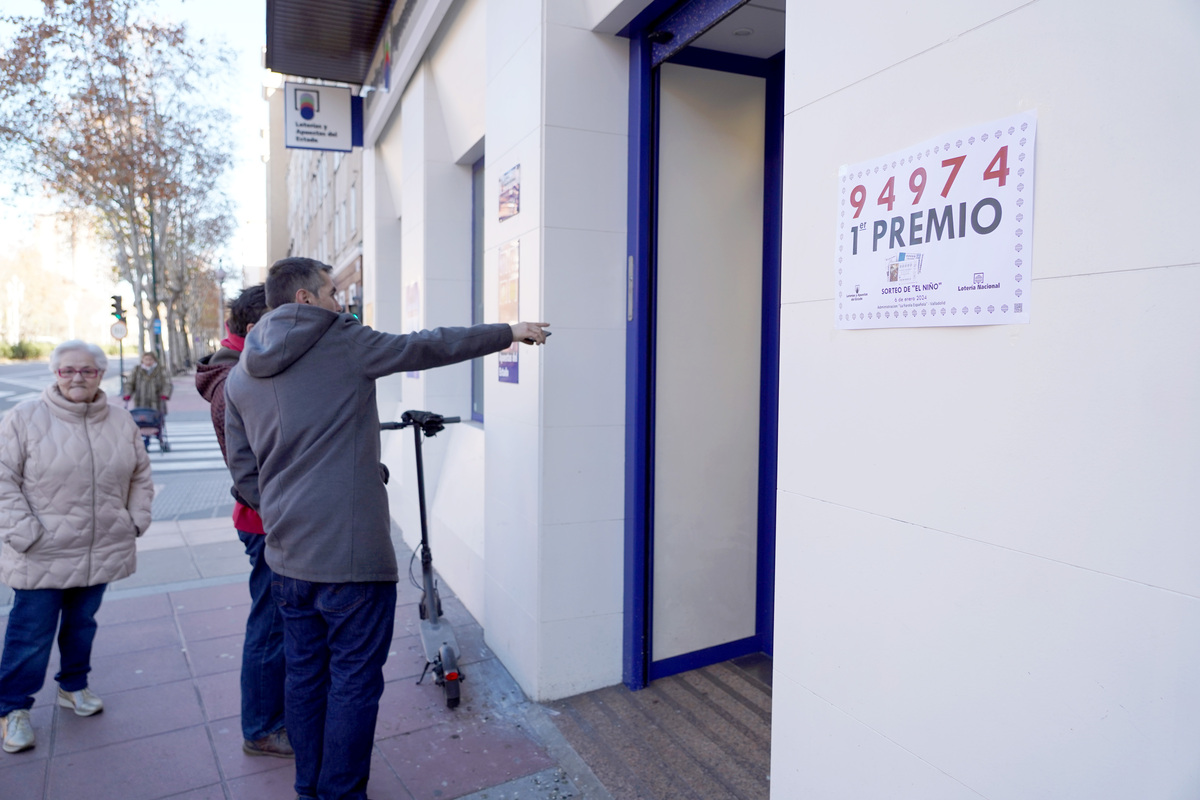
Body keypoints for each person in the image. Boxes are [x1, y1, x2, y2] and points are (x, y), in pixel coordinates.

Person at [224, 257, 549, 800]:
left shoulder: (240, 374)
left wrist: (281, 511)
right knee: (353, 680)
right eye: (332, 291)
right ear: (305, 299)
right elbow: (428, 345)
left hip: (286, 557)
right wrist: (509, 332)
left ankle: (311, 789)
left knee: (304, 675)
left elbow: (243, 471)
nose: (340, 301)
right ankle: (341, 793)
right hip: (351, 555)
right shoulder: (344, 342)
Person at [0, 340, 154, 754]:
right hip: (41, 551)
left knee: (82, 624)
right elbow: (2, 478)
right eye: (67, 370)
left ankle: (74, 686)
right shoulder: (24, 418)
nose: (77, 378)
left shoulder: (120, 421)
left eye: (86, 371)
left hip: (101, 546)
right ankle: (13, 708)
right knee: (31, 632)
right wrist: (23, 531)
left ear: (100, 375)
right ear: (55, 374)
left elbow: (141, 475)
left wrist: (135, 519)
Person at [194, 284, 292, 758]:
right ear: (256, 329)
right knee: (270, 626)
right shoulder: (234, 381)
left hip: (270, 517)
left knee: (277, 623)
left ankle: (275, 717)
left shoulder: (241, 367)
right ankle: (261, 728)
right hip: (267, 520)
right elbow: (250, 468)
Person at [123, 350, 173, 449]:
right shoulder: (137, 370)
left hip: (157, 402)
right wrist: (127, 394)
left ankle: (159, 438)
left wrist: (165, 394)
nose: (148, 361)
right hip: (140, 402)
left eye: (150, 359)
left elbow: (167, 384)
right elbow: (129, 383)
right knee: (141, 422)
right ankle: (145, 441)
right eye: (146, 359)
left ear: (154, 360)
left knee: (157, 422)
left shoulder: (160, 370)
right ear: (142, 360)